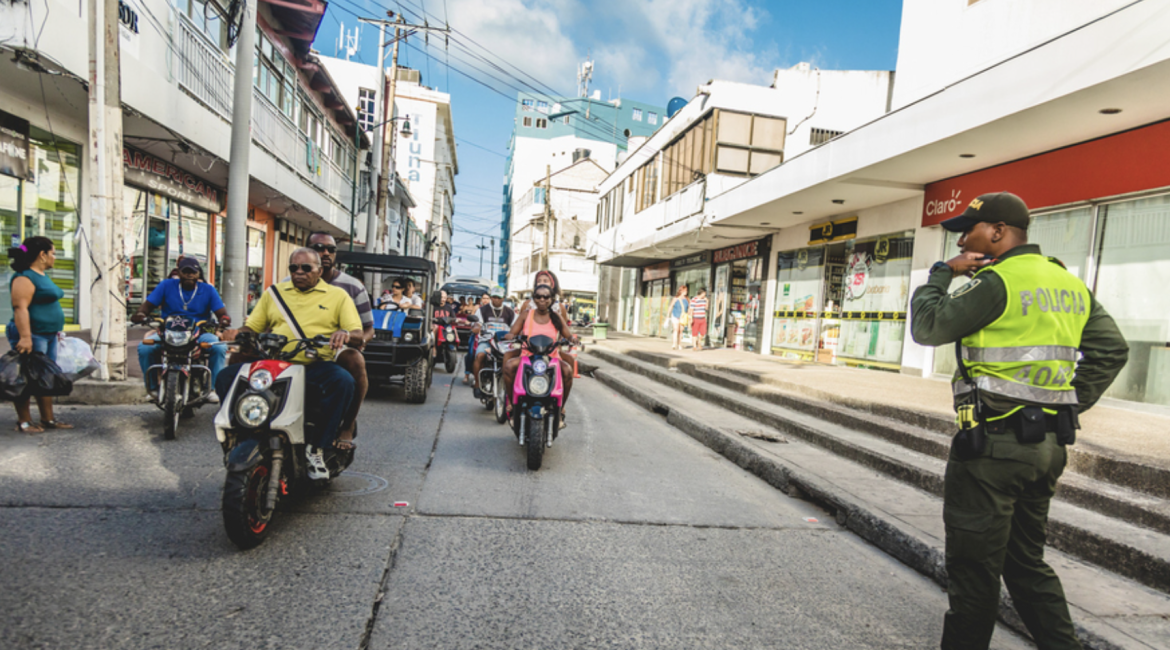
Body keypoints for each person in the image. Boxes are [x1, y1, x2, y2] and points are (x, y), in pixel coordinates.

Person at [910, 192, 1128, 650]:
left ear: (997, 232)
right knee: (1026, 564)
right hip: (1048, 447)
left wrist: (941, 274)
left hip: (992, 448)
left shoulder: (995, 281)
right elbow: (1112, 350)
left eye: (969, 230)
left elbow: (928, 327)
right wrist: (1064, 404)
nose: (963, 240)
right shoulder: (1065, 281)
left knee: (974, 572)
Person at [216, 248, 362, 480]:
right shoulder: (274, 293)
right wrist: (235, 332)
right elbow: (252, 327)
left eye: (306, 268)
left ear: (320, 270)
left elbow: (357, 332)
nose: (299, 272)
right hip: (275, 363)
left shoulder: (337, 296)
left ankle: (317, 448)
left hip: (313, 364)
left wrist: (344, 334)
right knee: (226, 377)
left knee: (343, 382)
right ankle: (239, 435)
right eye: (294, 268)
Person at [305, 232, 372, 450]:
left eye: (330, 249)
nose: (325, 253)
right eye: (318, 248)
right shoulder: (288, 285)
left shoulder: (351, 286)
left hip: (334, 348)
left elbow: (368, 328)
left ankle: (348, 424)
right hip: (295, 346)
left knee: (355, 361)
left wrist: (355, 340)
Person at [132, 257, 230, 401]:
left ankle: (213, 389)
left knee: (219, 347)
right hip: (168, 332)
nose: (189, 275)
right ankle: (153, 389)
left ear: (198, 274)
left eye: (193, 272)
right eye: (186, 271)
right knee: (145, 347)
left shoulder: (208, 290)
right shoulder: (166, 285)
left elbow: (222, 313)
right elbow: (146, 306)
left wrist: (224, 320)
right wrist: (141, 315)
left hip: (199, 332)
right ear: (179, 272)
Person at [6, 237, 72, 432]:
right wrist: (25, 337)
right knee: (25, 378)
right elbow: (20, 308)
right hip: (33, 335)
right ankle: (24, 422)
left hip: (48, 335)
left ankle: (47, 419)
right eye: (52, 253)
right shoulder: (24, 277)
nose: (54, 258)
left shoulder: (41, 275)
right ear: (42, 255)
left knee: (45, 377)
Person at [502, 280, 578, 429]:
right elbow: (512, 332)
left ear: (551, 299)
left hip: (552, 359)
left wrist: (572, 340)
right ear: (533, 298)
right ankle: (512, 403)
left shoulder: (556, 316)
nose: (542, 300)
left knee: (568, 370)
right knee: (509, 366)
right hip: (528, 357)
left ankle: (561, 407)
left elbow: (568, 335)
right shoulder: (526, 315)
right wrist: (511, 336)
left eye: (545, 297)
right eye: (538, 296)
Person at [471, 286, 516, 398]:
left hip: (504, 344)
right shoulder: (482, 310)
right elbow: (477, 323)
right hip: (487, 341)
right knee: (480, 355)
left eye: (498, 297)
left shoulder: (510, 312)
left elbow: (516, 327)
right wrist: (477, 327)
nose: (496, 300)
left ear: (503, 298)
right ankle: (477, 384)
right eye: (494, 297)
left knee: (514, 360)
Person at [667, 285, 690, 350]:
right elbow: (671, 306)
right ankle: (674, 344)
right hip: (675, 315)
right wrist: (668, 316)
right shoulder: (675, 298)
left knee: (681, 331)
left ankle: (679, 344)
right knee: (676, 329)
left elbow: (688, 309)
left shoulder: (687, 299)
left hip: (683, 317)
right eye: (685, 290)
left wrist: (689, 316)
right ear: (681, 291)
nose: (686, 292)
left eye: (686, 290)